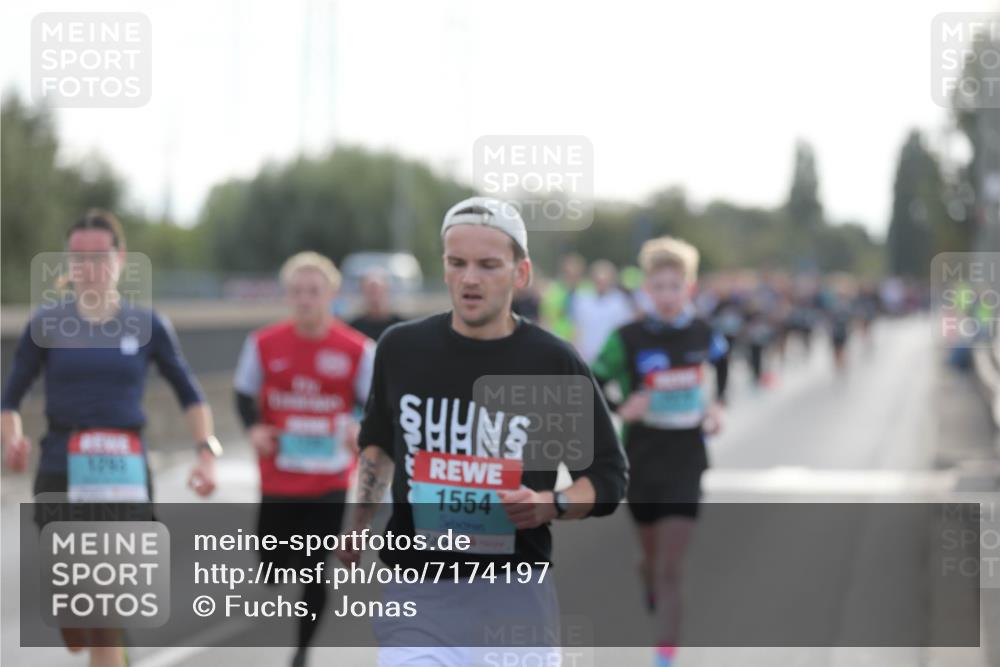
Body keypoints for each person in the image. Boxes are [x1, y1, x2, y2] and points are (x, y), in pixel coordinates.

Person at [337, 196, 628, 666]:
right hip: (418, 591)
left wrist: (549, 503)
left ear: (521, 273)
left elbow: (608, 477)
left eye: (488, 265)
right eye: (457, 263)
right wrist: (357, 524)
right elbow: (378, 442)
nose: (470, 278)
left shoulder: (552, 363)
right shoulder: (401, 348)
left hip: (513, 595)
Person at [0, 209, 220, 667]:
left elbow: (190, 394)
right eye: (78, 257)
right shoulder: (47, 324)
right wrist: (12, 440)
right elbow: (10, 399)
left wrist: (205, 452)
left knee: (106, 616)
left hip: (126, 475)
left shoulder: (148, 325)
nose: (88, 266)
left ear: (119, 259)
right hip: (62, 471)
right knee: (78, 625)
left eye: (98, 256)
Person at [591, 236, 728, 667]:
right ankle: (646, 575)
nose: (667, 295)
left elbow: (722, 362)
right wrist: (621, 407)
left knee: (672, 565)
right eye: (659, 287)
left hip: (687, 457)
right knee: (652, 559)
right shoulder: (627, 337)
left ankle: (665, 654)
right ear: (647, 289)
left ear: (690, 287)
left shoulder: (703, 332)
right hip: (642, 456)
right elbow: (592, 379)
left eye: (676, 286)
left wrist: (718, 405)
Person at [233, 251, 374, 667]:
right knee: (272, 567)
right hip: (278, 476)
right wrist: (254, 429)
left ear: (331, 294)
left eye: (314, 291)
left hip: (330, 478)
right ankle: (284, 559)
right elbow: (242, 394)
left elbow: (374, 405)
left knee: (314, 568)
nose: (305, 299)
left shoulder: (357, 348)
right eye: (297, 291)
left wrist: (359, 428)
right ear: (287, 295)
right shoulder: (263, 343)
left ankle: (301, 653)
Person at [572, 259, 639, 364]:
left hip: (610, 357)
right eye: (598, 280)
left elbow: (624, 329)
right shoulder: (581, 299)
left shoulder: (620, 301)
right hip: (586, 355)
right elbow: (577, 327)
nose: (601, 283)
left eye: (605, 280)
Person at [348, 267, 406, 342]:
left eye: (378, 290)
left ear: (387, 290)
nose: (375, 296)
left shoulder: (401, 327)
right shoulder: (353, 329)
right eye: (370, 291)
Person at [539, 252, 586, 340]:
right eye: (569, 273)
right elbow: (546, 319)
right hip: (559, 338)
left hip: (582, 341)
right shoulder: (553, 292)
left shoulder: (587, 291)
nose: (572, 277)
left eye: (576, 273)